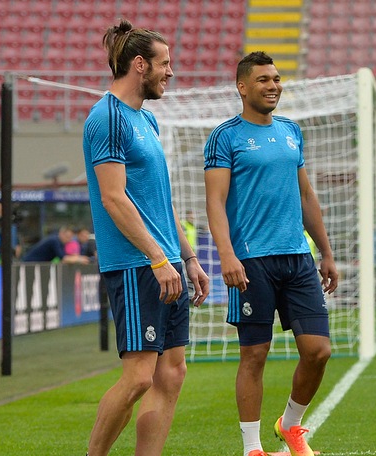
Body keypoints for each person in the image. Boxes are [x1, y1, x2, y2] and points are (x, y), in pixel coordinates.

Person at [81, 19, 209, 456]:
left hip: (165, 262)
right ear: (140, 65)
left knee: (171, 373)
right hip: (137, 265)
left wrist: (187, 258)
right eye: (164, 64)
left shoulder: (146, 121)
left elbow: (160, 200)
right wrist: (157, 258)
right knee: (138, 376)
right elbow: (114, 199)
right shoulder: (107, 118)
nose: (170, 72)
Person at [204, 51, 338, 456]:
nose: (273, 85)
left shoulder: (291, 131)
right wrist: (226, 255)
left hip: (297, 257)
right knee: (255, 354)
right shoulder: (224, 137)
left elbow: (306, 194)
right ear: (242, 87)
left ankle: (290, 424)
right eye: (264, 79)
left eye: (277, 78)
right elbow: (215, 201)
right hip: (251, 261)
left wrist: (326, 252)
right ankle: (252, 447)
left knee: (319, 351)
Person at [22, 226, 90, 264]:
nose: (69, 240)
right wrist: (79, 259)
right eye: (67, 237)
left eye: (70, 238)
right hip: (29, 263)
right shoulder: (54, 241)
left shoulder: (61, 243)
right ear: (61, 233)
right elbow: (64, 258)